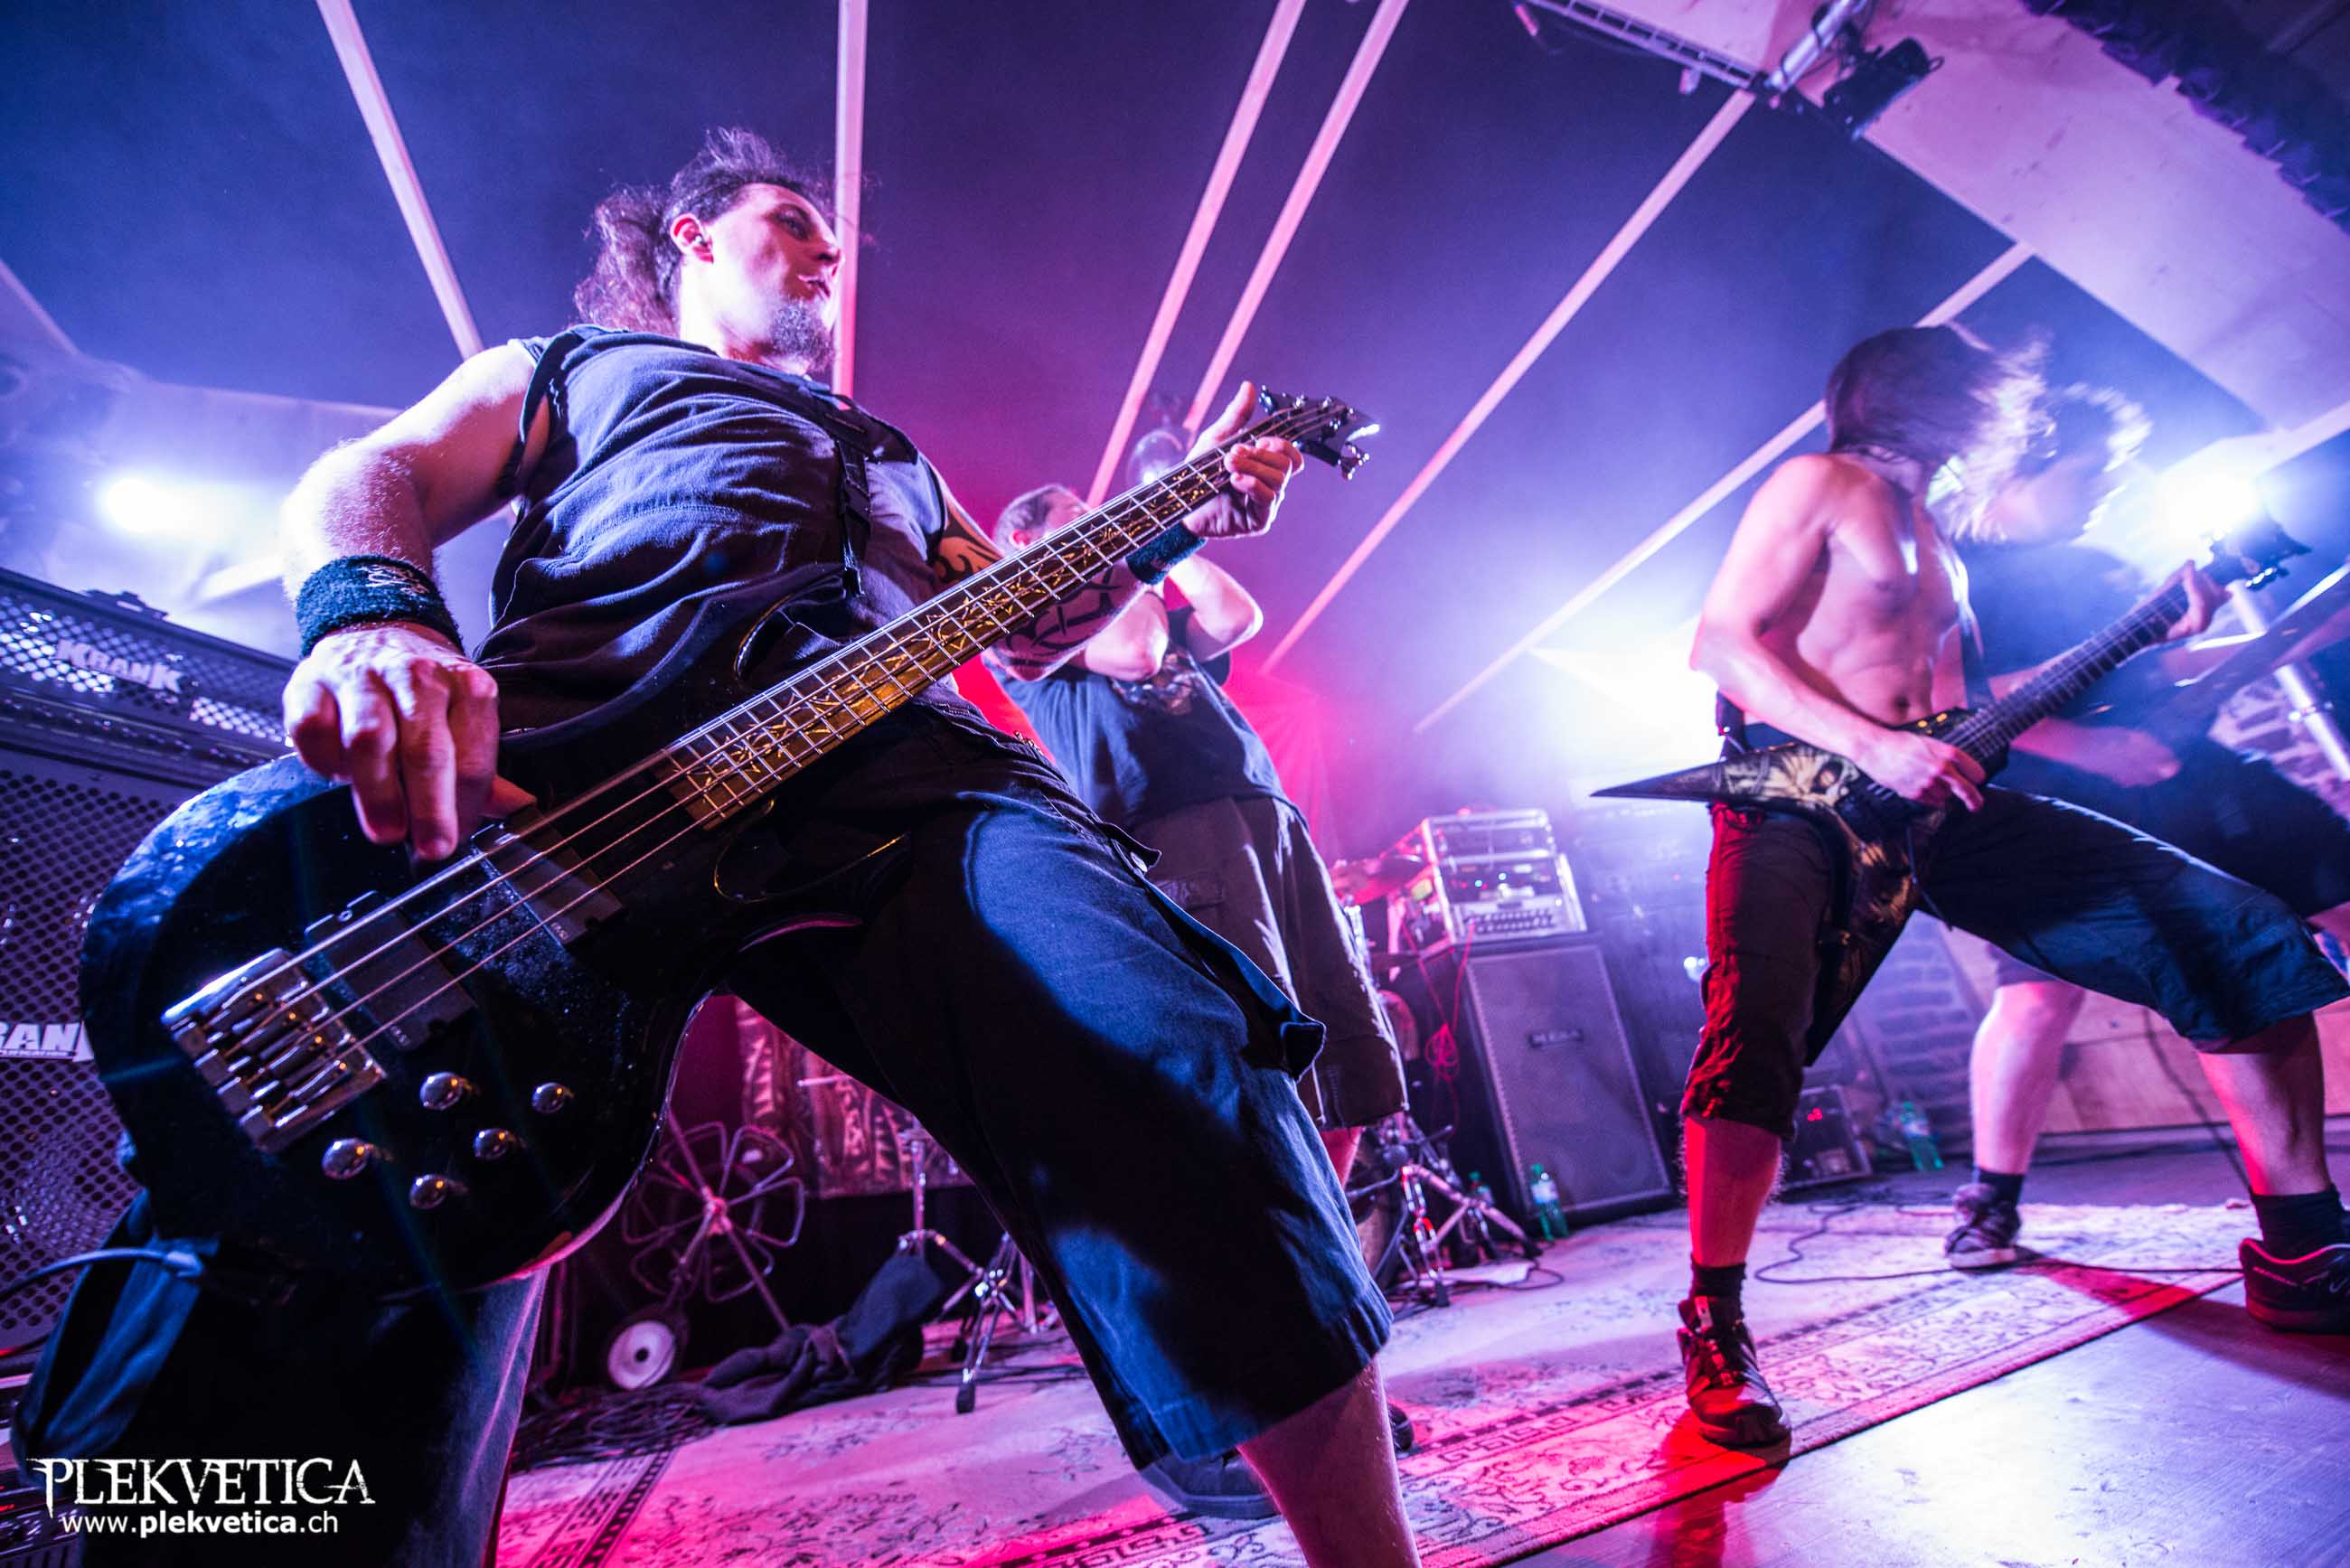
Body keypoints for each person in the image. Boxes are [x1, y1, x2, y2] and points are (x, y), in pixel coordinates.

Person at [15, 129, 1419, 1568]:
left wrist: (1179, 516)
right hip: (582, 778)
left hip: (908, 779)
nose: (827, 253)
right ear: (688, 236)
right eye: (793, 220)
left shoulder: (894, 457)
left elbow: (1025, 621)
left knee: (1170, 1037)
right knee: (362, 1217)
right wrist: (374, 617)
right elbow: (374, 470)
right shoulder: (570, 367)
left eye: (836, 243)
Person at [1676, 325, 2349, 1451]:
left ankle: (2300, 1248)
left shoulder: (1939, 539)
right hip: (1795, 796)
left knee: (2233, 933)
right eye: (1993, 394)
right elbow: (1721, 646)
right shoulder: (1818, 482)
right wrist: (1873, 746)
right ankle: (1714, 1318)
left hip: (1940, 808)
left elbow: (1973, 704)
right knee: (1755, 1036)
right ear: (1935, 400)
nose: (2012, 416)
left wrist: (2153, 632)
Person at [990, 483, 1412, 1517]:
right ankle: (1271, 1377)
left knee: (1342, 1076)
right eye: (1079, 524)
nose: (1107, 530)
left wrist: (1171, 540)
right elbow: (1134, 648)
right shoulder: (1042, 628)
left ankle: (1320, 1327)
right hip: (1179, 845)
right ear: (1034, 549)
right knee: (1254, 1102)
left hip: (1268, 827)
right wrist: (1140, 541)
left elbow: (1233, 614)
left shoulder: (1153, 604)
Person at [1944, 385, 2350, 1268]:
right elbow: (1962, 700)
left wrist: (2293, 639)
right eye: (2088, 470)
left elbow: (2159, 666)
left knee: (2339, 884)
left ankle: (2301, 1226)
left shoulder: (2092, 564)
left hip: (2183, 768)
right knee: (2037, 994)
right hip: (2060, 792)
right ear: (2020, 465)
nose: (2104, 488)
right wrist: (2088, 748)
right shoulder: (1954, 573)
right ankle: (1989, 1199)